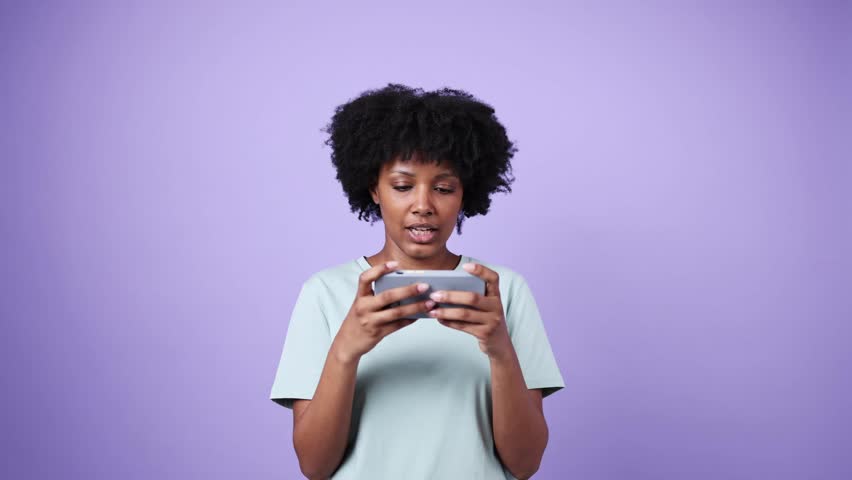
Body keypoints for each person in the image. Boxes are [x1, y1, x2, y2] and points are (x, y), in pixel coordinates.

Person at [270, 83, 565, 479]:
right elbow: (314, 466)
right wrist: (345, 350)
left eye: (443, 188)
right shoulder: (324, 293)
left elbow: (525, 464)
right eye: (403, 186)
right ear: (374, 189)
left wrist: (500, 351)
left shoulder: (503, 292)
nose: (423, 205)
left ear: (464, 196)